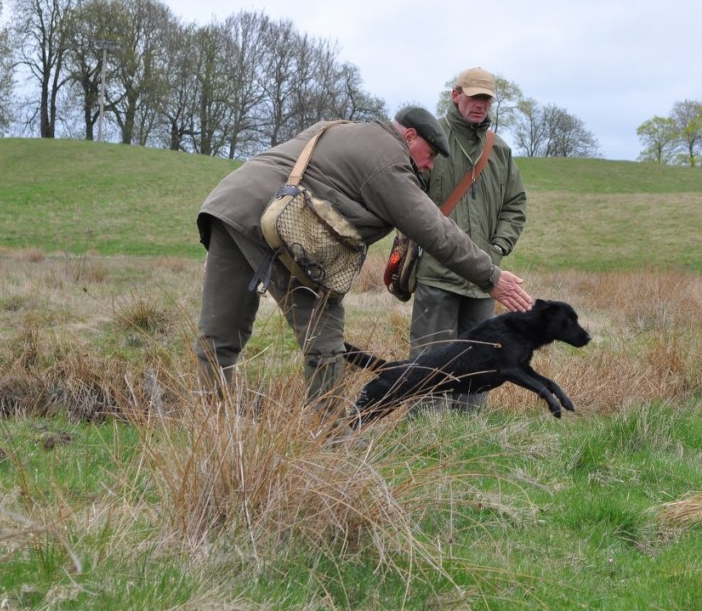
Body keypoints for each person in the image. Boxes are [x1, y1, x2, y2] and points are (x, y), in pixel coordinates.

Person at [193, 106, 532, 406]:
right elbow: (433, 229)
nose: (428, 167)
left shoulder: (339, 127)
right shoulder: (389, 160)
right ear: (409, 136)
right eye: (428, 155)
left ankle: (211, 421)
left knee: (219, 333)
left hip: (228, 207)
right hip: (280, 228)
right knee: (323, 339)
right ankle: (331, 436)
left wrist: (232, 243)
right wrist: (491, 277)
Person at [409, 67, 527, 412]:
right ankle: (425, 432)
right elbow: (410, 200)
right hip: (437, 272)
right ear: (455, 95)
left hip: (483, 279)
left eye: (486, 99)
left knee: (481, 357)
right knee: (431, 355)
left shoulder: (500, 151)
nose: (480, 104)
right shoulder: (432, 142)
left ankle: (468, 436)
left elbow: (516, 203)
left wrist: (499, 248)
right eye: (474, 96)